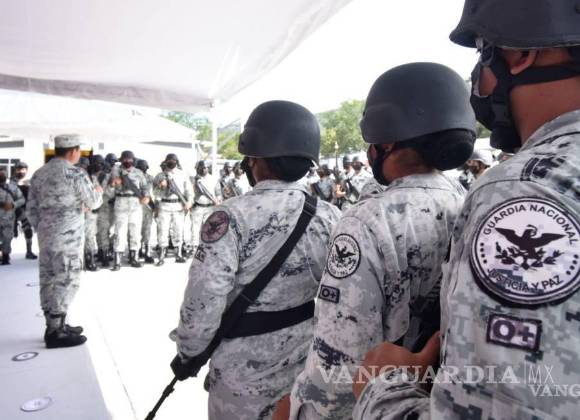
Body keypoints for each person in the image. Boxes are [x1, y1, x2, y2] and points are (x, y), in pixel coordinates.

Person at [351, 2, 580, 419]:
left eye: (482, 52)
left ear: (520, 54)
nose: (479, 78)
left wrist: (379, 389)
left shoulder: (520, 191)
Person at [279, 63, 476, 420]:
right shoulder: (469, 203)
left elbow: (339, 361)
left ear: (385, 142)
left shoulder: (368, 221)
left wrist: (301, 410)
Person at [171, 100, 341, 420]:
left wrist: (189, 352)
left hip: (241, 375)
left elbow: (205, 294)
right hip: (306, 367)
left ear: (256, 159)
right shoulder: (330, 215)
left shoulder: (230, 216)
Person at [27, 134, 102, 348]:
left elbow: (31, 209)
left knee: (48, 278)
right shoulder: (75, 173)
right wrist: (98, 191)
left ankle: (54, 323)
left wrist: (44, 229)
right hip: (68, 238)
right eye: (79, 150)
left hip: (46, 237)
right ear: (73, 151)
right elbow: (93, 202)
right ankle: (55, 333)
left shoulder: (39, 173)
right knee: (67, 279)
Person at [107, 150, 150, 271]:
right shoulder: (115, 171)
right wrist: (113, 184)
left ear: (133, 160)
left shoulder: (138, 172)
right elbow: (109, 191)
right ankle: (117, 261)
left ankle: (134, 258)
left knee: (135, 232)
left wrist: (146, 196)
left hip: (135, 204)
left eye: (129, 159)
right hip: (121, 203)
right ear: (121, 160)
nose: (127, 161)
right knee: (119, 232)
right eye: (125, 159)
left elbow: (145, 187)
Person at [153, 153, 192, 265]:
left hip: (178, 205)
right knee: (163, 230)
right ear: (165, 161)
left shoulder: (182, 174)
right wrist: (161, 187)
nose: (171, 162)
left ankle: (178, 253)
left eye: (173, 160)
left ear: (177, 162)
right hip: (164, 205)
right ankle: (161, 255)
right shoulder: (160, 175)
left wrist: (189, 202)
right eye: (169, 160)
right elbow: (154, 192)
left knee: (178, 229)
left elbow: (188, 189)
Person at [189, 159, 221, 254]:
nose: (203, 170)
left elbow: (218, 192)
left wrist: (218, 200)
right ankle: (194, 247)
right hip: (198, 207)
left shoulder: (214, 179)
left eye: (205, 168)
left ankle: (208, 247)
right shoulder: (193, 179)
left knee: (210, 228)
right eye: (201, 168)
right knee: (195, 228)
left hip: (210, 207)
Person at [10, 161, 37, 259]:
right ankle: (4, 253)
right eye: (19, 169)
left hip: (26, 209)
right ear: (15, 170)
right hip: (13, 209)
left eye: (23, 169)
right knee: (7, 232)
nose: (21, 171)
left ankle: (29, 251)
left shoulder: (30, 181)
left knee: (28, 230)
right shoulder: (12, 182)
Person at [0, 169, 25, 265]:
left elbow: (22, 200)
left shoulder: (12, 188)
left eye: (3, 174)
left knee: (7, 238)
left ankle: (5, 256)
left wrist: (13, 205)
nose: (2, 175)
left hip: (8, 218)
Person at [136, 159, 156, 264]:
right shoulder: (134, 177)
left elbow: (154, 193)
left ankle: (147, 251)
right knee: (136, 230)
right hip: (137, 206)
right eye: (140, 167)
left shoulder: (151, 178)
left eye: (143, 166)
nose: (142, 168)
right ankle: (137, 250)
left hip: (148, 207)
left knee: (147, 230)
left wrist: (155, 206)